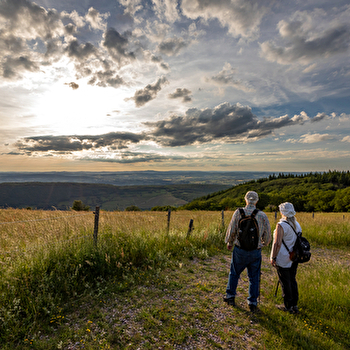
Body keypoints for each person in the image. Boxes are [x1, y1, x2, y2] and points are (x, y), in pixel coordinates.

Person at [224, 191, 271, 312]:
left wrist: (229, 242)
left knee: (234, 273)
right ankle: (252, 302)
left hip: (240, 249)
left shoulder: (238, 212)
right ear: (256, 201)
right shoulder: (262, 215)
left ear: (246, 200)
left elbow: (232, 229)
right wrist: (263, 243)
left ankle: (230, 297)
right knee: (254, 277)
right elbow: (267, 236)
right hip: (255, 251)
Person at [270, 202, 301, 314]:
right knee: (292, 280)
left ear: (282, 212)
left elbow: (277, 243)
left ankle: (287, 306)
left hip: (283, 257)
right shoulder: (297, 225)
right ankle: (294, 305)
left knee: (285, 282)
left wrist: (273, 257)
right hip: (294, 257)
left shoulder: (281, 225)